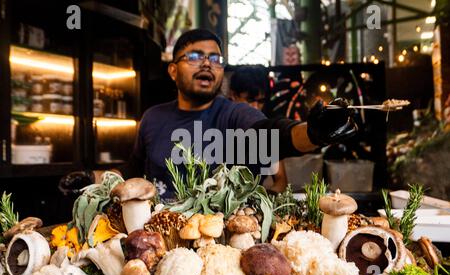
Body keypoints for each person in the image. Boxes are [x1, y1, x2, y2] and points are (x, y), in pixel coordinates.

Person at [59, 28, 358, 200]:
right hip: (157, 243)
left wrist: (313, 132)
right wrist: (92, 177)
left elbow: (271, 135)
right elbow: (131, 172)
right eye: (194, 56)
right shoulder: (152, 118)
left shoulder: (235, 115)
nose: (207, 64)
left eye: (215, 58)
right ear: (173, 70)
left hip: (222, 250)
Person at [228, 65, 288, 194]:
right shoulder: (220, 123)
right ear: (233, 95)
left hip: (250, 208)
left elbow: (281, 181)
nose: (255, 107)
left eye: (260, 101)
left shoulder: (266, 130)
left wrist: (262, 200)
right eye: (250, 100)